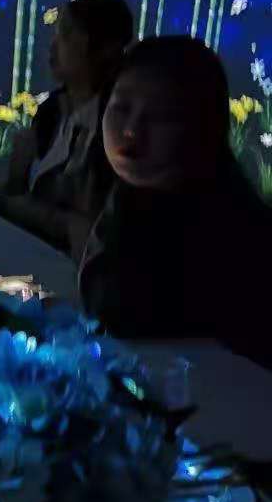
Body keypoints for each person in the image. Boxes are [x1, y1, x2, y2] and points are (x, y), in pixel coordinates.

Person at [80, 35, 272, 368]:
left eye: (162, 116)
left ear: (203, 126)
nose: (131, 131)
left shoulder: (231, 240)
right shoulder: (129, 192)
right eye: (121, 108)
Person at [0, 0, 134, 256]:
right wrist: (16, 178)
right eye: (55, 34)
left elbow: (92, 229)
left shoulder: (119, 129)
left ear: (104, 49)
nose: (53, 46)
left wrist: (15, 204)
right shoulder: (52, 111)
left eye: (66, 34)